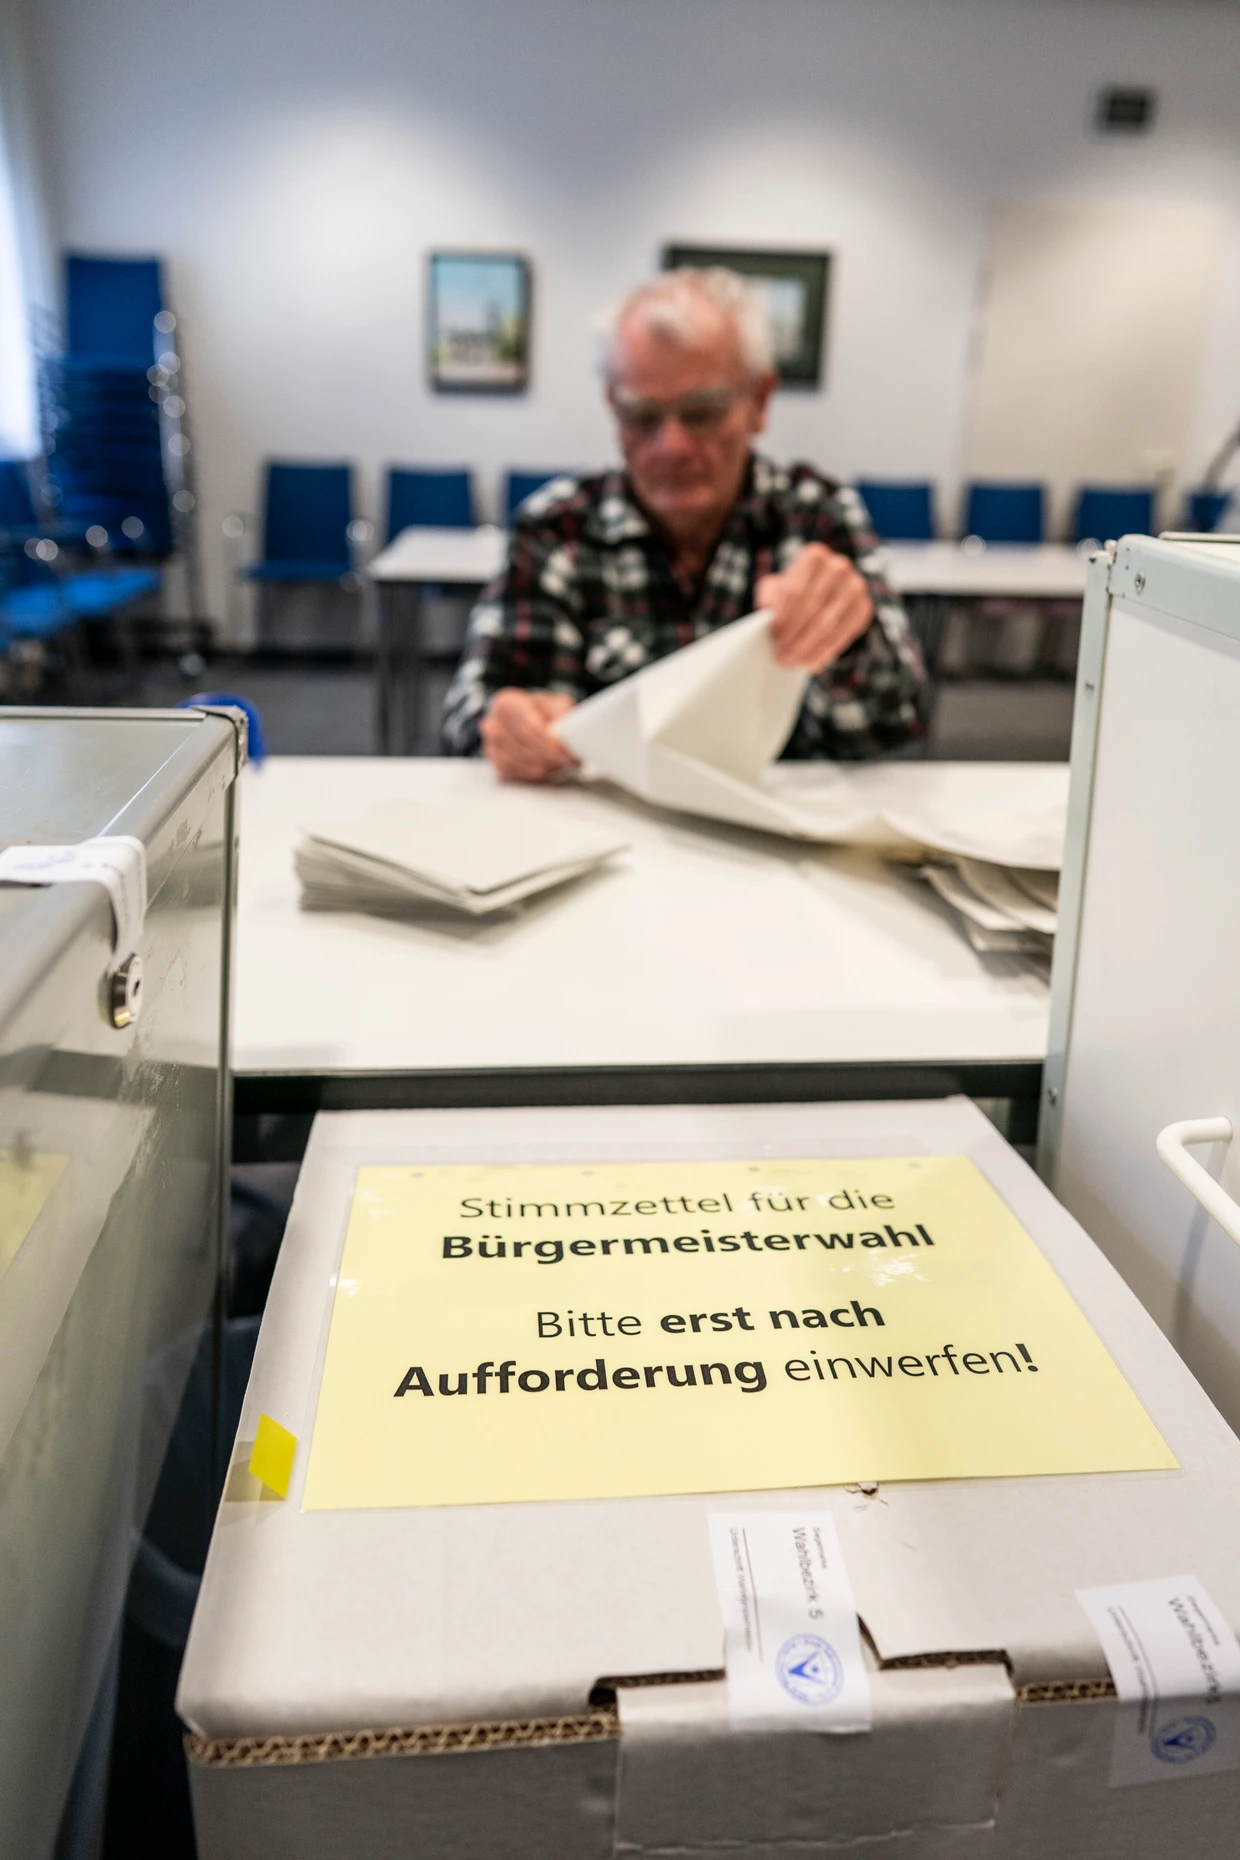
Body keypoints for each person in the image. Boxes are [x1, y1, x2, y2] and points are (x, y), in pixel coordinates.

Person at [442, 269, 925, 780]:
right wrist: (509, 728)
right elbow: (470, 715)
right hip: (605, 838)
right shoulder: (556, 530)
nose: (671, 446)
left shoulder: (816, 517)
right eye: (641, 415)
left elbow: (893, 725)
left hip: (772, 842)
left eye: (703, 412)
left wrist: (847, 640)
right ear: (611, 406)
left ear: (759, 401)